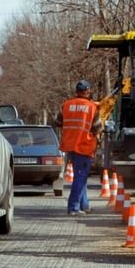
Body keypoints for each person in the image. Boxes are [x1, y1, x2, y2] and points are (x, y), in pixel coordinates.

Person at [56, 79, 102, 216]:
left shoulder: (66, 105)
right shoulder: (92, 107)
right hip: (84, 146)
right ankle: (73, 207)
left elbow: (58, 122)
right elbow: (97, 128)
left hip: (70, 145)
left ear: (76, 91)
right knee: (80, 178)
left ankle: (84, 205)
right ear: (88, 91)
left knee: (79, 177)